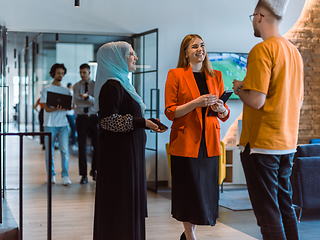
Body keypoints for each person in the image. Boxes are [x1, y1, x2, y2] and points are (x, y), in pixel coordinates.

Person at [232, 0, 303, 239]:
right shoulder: (294, 53)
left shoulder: (261, 50)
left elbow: (257, 100)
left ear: (259, 16)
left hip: (262, 145)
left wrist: (239, 88)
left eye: (253, 16)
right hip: (287, 143)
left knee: (267, 213)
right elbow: (298, 100)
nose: (253, 21)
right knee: (285, 207)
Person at [93, 41, 166, 240]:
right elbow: (108, 121)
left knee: (128, 203)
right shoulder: (111, 86)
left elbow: (124, 118)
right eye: (131, 54)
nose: (135, 57)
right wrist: (143, 122)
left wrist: (146, 123)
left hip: (128, 155)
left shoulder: (122, 83)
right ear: (115, 58)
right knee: (121, 204)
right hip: (120, 158)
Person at [165, 34, 230, 240]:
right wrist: (196, 102)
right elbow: (170, 112)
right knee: (189, 190)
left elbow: (225, 113)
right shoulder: (175, 74)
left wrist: (220, 108)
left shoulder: (216, 75)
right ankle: (190, 235)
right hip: (185, 142)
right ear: (186, 53)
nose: (200, 49)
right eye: (194, 47)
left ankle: (188, 235)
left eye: (202, 45)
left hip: (209, 142)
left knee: (204, 192)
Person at [40, 63, 72, 186]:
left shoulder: (66, 90)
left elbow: (69, 107)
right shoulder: (46, 89)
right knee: (50, 152)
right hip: (49, 124)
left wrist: (68, 107)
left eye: (62, 73)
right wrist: (55, 108)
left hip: (63, 124)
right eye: (58, 73)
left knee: (64, 151)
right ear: (53, 73)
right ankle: (51, 175)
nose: (60, 75)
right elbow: (46, 109)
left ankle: (65, 176)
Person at [73, 64, 98, 184]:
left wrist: (88, 98)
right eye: (80, 72)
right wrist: (89, 100)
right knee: (81, 147)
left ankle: (95, 170)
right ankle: (83, 174)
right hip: (81, 118)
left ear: (89, 72)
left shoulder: (95, 85)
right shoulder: (76, 86)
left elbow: (97, 102)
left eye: (84, 72)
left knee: (97, 146)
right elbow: (77, 102)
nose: (82, 75)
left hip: (94, 118)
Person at [66, 83, 77, 151]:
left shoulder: (70, 93)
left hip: (70, 113)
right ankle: (72, 143)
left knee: (71, 128)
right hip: (69, 113)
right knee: (73, 127)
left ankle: (71, 143)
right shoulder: (69, 93)